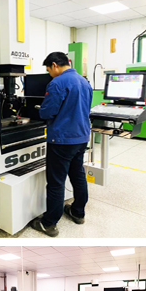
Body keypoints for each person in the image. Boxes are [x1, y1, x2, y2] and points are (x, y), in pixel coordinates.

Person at [30, 51, 93, 237]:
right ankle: (78, 213)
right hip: (81, 137)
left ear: (54, 65)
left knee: (56, 183)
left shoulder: (57, 83)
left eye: (48, 70)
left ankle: (49, 223)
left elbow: (47, 112)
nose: (49, 74)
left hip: (62, 139)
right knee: (78, 175)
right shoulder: (84, 82)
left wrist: (39, 109)